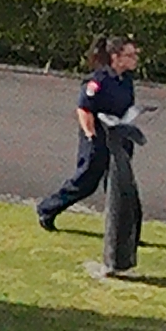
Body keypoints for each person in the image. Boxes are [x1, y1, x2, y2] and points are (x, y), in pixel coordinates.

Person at [34, 37, 143, 231]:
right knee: (86, 182)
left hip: (120, 138)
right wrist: (91, 136)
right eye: (130, 55)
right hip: (98, 139)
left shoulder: (126, 80)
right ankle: (48, 209)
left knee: (121, 186)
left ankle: (125, 232)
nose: (135, 58)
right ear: (115, 57)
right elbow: (84, 109)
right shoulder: (97, 81)